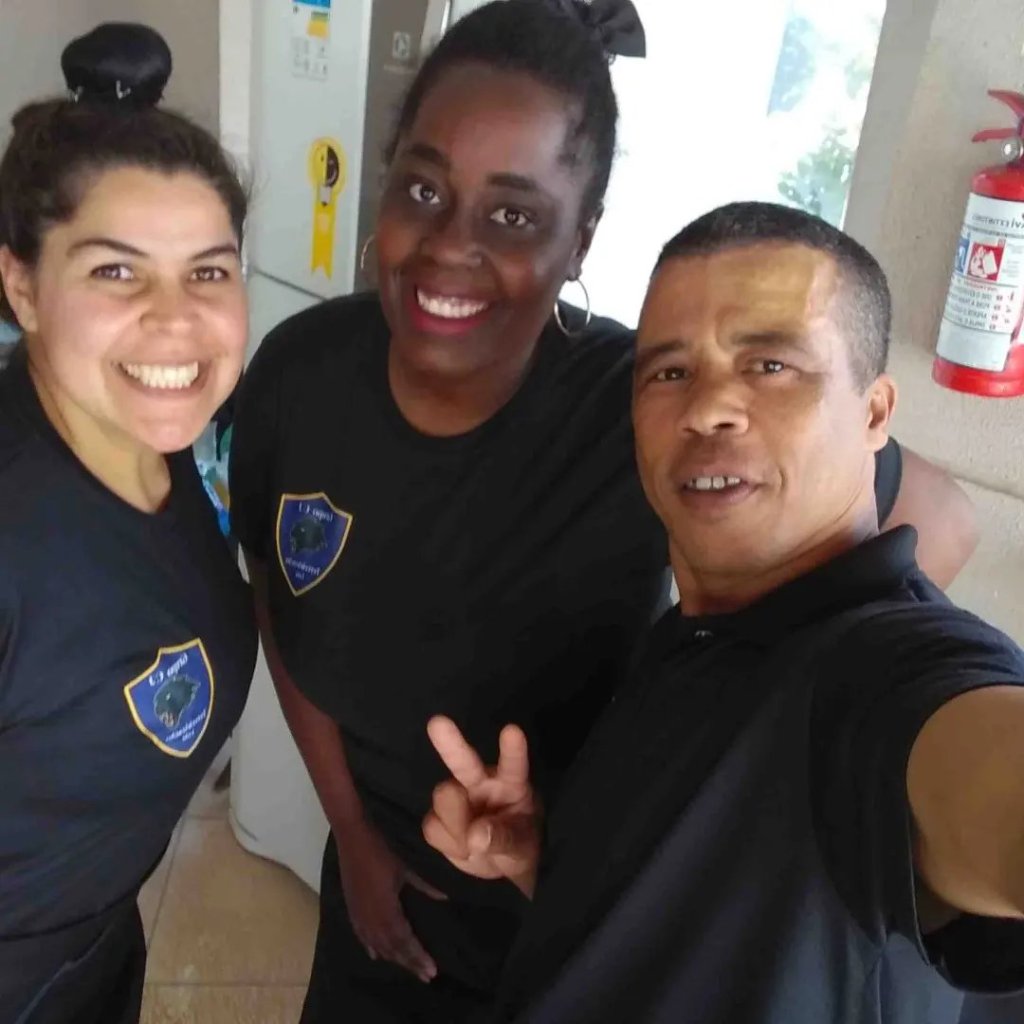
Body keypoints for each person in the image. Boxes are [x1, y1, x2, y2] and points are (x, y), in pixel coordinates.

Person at [229, 3, 975, 1021]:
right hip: (383, 889)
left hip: (593, 911)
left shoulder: (649, 402)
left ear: (580, 240)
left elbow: (938, 517)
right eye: (424, 189)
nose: (448, 245)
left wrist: (759, 749)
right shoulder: (300, 374)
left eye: (512, 215)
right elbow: (277, 598)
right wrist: (352, 835)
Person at [423, 202, 1024, 1024]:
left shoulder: (882, 669)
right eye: (669, 372)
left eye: (771, 365)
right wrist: (546, 868)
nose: (707, 408)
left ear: (875, 413)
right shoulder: (697, 631)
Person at [0, 23, 256, 1024]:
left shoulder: (172, 436)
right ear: (22, 286)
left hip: (99, 941)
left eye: (209, 270)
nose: (175, 319)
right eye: (116, 271)